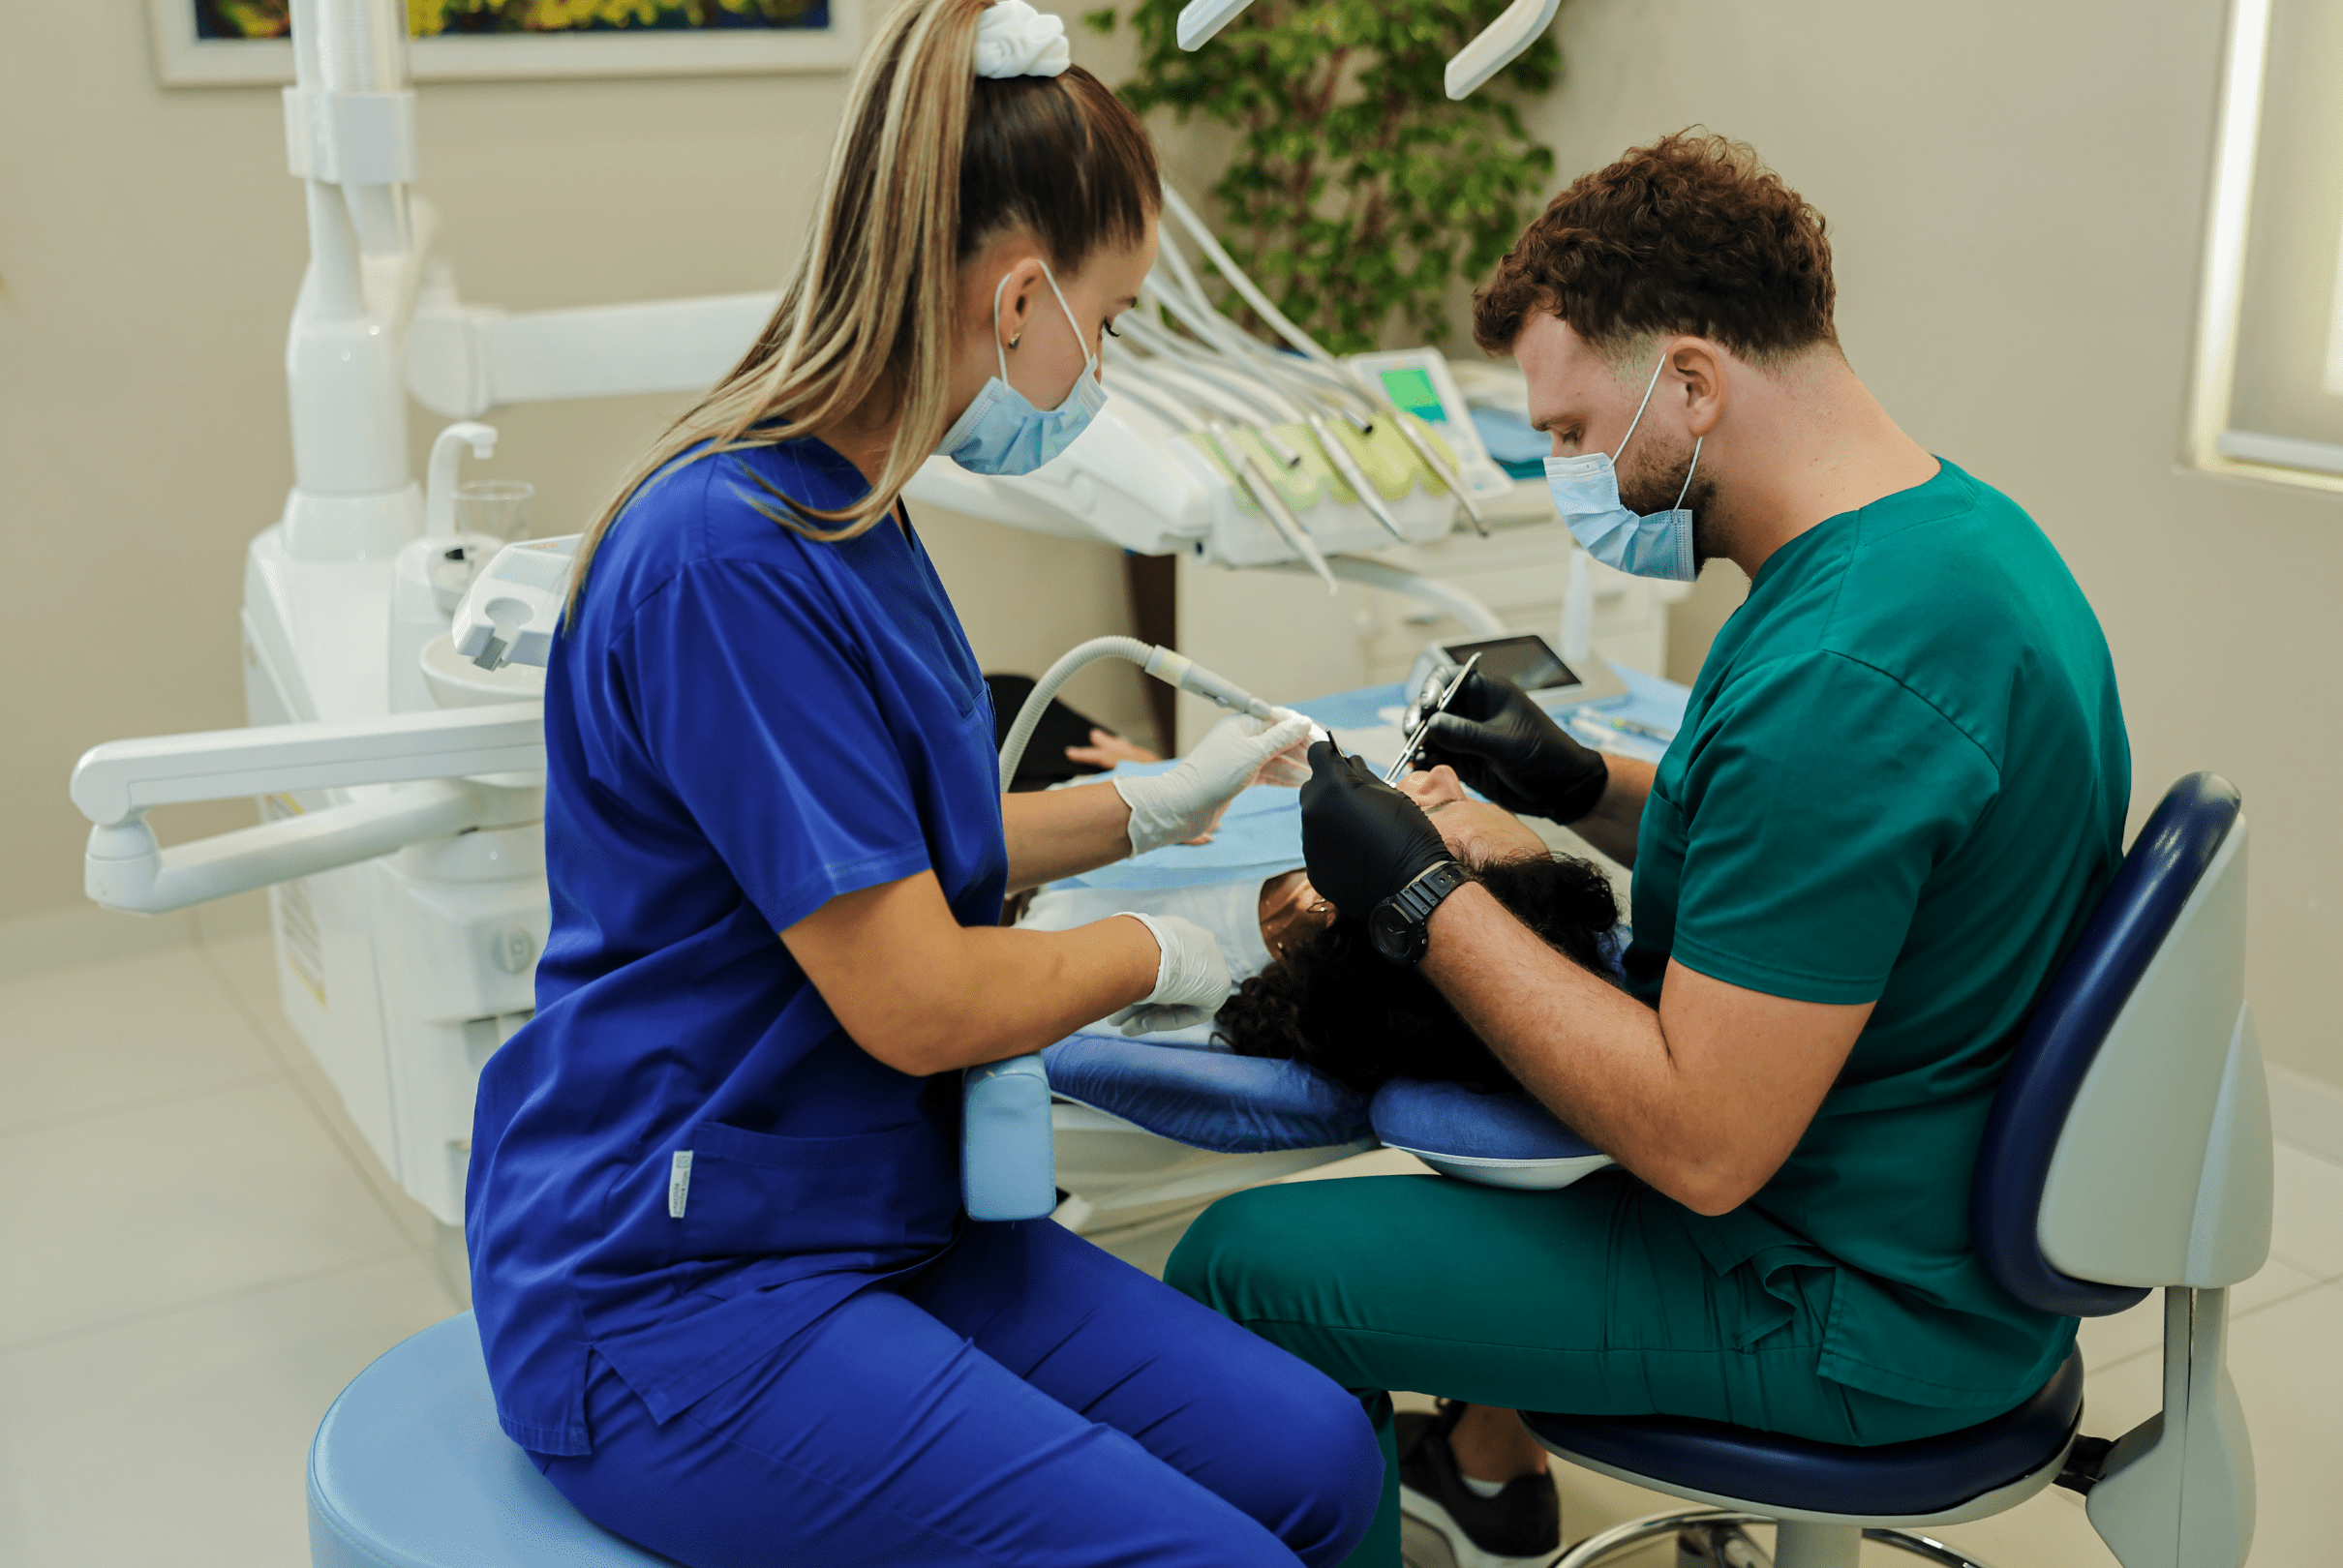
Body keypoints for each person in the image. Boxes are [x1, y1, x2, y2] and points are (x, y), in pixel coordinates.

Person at [461, 4, 1381, 1565]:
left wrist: (1155, 805)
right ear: (1022, 298)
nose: (1111, 362)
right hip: (677, 1283)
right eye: (1117, 318)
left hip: (871, 1206)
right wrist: (1186, 946)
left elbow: (875, 848)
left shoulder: (855, 507)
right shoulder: (729, 557)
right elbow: (918, 998)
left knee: (1322, 1460)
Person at [1167, 131, 2131, 1568]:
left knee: (1230, 1266)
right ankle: (1482, 1471)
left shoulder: (1840, 680)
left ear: (1689, 379)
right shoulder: (1951, 545)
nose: (1568, 471)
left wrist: (1423, 895)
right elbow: (1804, 853)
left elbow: (1699, 1141)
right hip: (1927, 1217)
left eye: (1567, 434)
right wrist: (1572, 781)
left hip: (1834, 1299)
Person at [1019, 763, 1625, 1093]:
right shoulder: (1301, 851)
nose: (1440, 772)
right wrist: (1148, 778)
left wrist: (1124, 811)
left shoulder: (1166, 987)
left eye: (1434, 810)